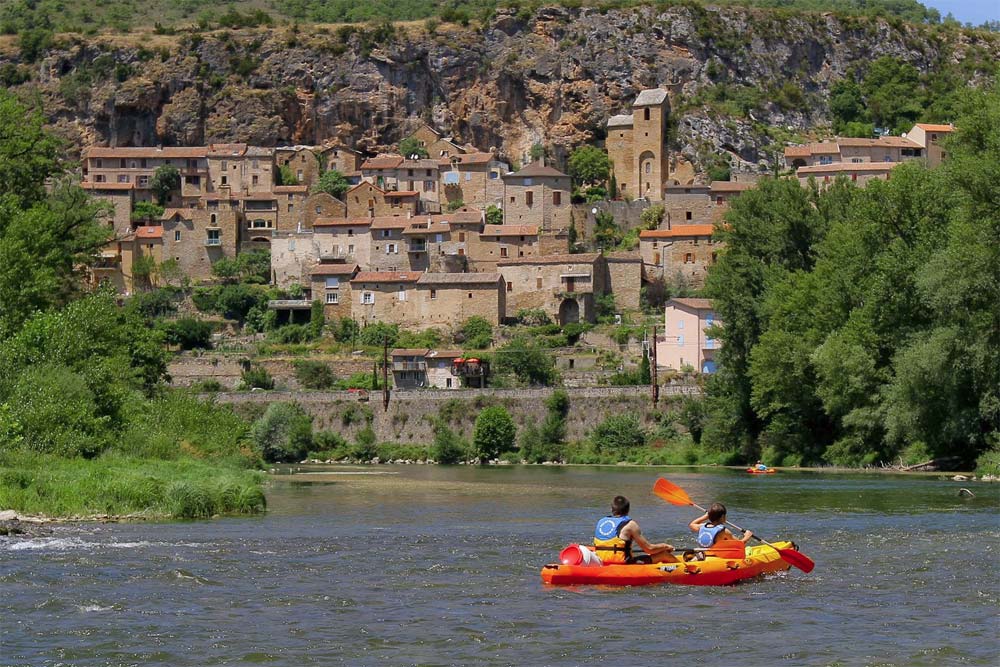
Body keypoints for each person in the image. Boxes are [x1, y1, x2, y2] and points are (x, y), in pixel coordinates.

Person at [594, 495, 674, 564]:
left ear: (612, 509)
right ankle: (684, 570)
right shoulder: (630, 524)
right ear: (628, 510)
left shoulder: (601, 521)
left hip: (601, 561)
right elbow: (649, 549)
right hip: (624, 564)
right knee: (664, 554)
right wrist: (665, 546)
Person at [688, 502, 753, 548]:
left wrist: (705, 516)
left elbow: (692, 524)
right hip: (715, 558)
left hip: (703, 555)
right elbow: (739, 544)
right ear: (722, 517)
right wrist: (747, 536)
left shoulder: (702, 526)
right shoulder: (723, 531)